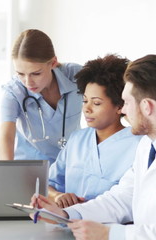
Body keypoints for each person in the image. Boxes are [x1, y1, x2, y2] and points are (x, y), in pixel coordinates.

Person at [32, 54, 156, 239]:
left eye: (127, 103)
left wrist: (112, 234)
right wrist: (66, 214)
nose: (124, 110)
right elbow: (122, 199)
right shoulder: (149, 146)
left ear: (146, 107)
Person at [48, 54, 142, 208]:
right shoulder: (76, 140)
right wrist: (58, 196)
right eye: (85, 100)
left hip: (110, 228)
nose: (87, 109)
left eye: (96, 103)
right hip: (69, 224)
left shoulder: (139, 145)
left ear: (120, 106)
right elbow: (48, 183)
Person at [0, 29, 83, 164]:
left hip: (70, 164)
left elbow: (108, 95)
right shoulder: (13, 92)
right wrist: (7, 170)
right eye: (20, 74)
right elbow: (6, 136)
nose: (28, 82)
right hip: (30, 169)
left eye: (36, 73)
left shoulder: (76, 75)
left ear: (53, 63)